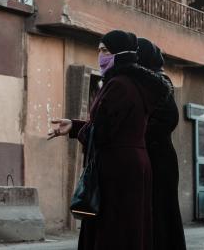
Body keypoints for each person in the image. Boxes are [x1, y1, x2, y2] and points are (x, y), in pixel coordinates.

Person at [48, 30, 171, 250]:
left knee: (113, 231)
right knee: (129, 230)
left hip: (116, 169)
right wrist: (75, 126)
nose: (100, 55)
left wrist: (81, 131)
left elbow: (103, 132)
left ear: (120, 53)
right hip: (132, 164)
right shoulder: (135, 84)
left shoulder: (118, 85)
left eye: (105, 50)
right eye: (99, 50)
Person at [137, 38, 186, 250]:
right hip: (153, 156)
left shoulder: (158, 82)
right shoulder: (144, 81)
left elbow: (169, 119)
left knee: (161, 212)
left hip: (159, 159)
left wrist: (136, 134)